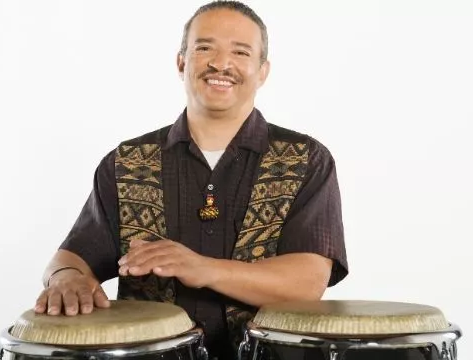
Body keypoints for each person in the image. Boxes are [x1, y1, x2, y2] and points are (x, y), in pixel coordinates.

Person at [32, 1, 348, 358]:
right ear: (181, 62)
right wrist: (67, 278)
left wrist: (203, 268)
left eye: (240, 52)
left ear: (263, 71)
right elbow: (70, 258)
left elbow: (305, 283)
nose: (221, 63)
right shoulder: (127, 162)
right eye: (204, 48)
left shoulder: (306, 160)